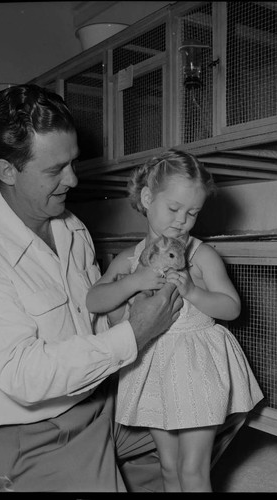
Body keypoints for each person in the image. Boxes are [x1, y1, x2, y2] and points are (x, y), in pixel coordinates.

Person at [0, 84, 184, 493]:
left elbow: (92, 317)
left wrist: (130, 303)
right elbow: (25, 376)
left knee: (216, 404)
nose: (73, 179)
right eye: (54, 170)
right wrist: (136, 332)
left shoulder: (71, 227)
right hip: (34, 433)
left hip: (101, 402)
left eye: (73, 162)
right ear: (7, 171)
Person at [86, 149, 265, 492]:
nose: (182, 220)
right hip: (153, 368)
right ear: (147, 198)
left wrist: (194, 293)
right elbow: (93, 299)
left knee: (193, 469)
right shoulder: (131, 258)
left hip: (197, 368)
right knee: (167, 467)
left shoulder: (201, 255)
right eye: (174, 208)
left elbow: (231, 307)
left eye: (193, 212)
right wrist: (133, 280)